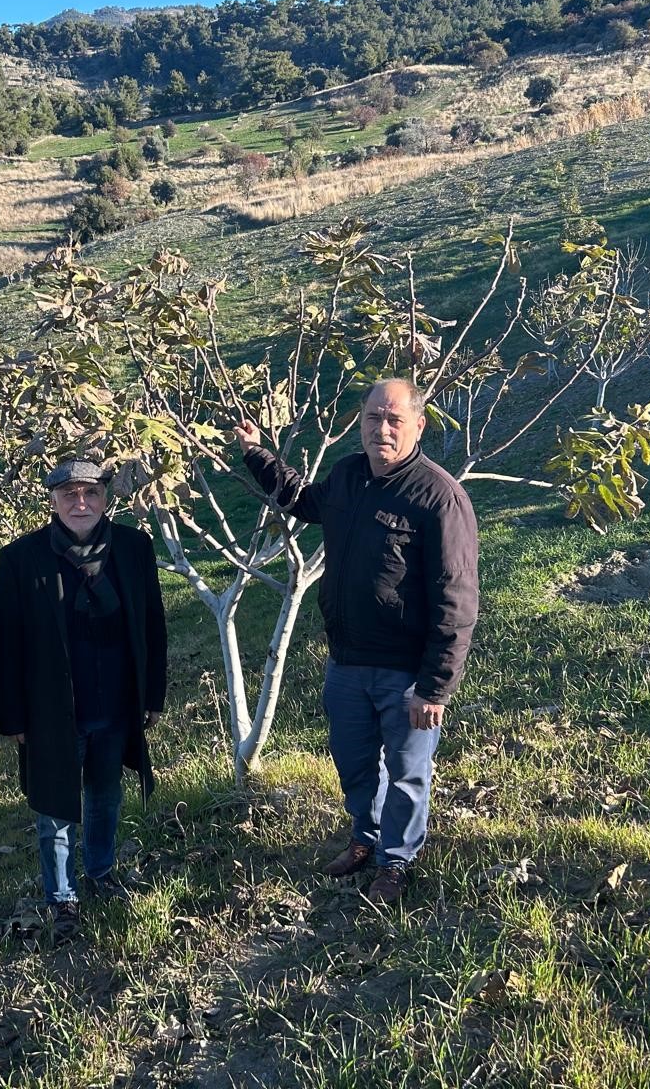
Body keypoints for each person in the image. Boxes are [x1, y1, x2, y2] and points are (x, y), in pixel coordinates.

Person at [233, 378, 478, 905]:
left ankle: (396, 860)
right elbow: (302, 498)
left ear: (418, 425)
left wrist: (434, 688)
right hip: (346, 661)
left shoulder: (439, 497)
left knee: (409, 771)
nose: (381, 430)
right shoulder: (348, 476)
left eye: (393, 420)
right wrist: (256, 451)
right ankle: (366, 838)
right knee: (353, 759)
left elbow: (456, 598)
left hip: (406, 668)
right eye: (373, 418)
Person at [0, 458, 167, 944]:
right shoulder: (21, 559)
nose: (80, 502)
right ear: (52, 501)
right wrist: (13, 716)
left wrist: (152, 694)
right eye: (69, 494)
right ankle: (62, 896)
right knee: (56, 807)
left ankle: (101, 871)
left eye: (90, 493)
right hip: (51, 710)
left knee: (106, 795)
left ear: (107, 497)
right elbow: (5, 645)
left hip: (115, 705)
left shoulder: (133, 549)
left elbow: (153, 625)